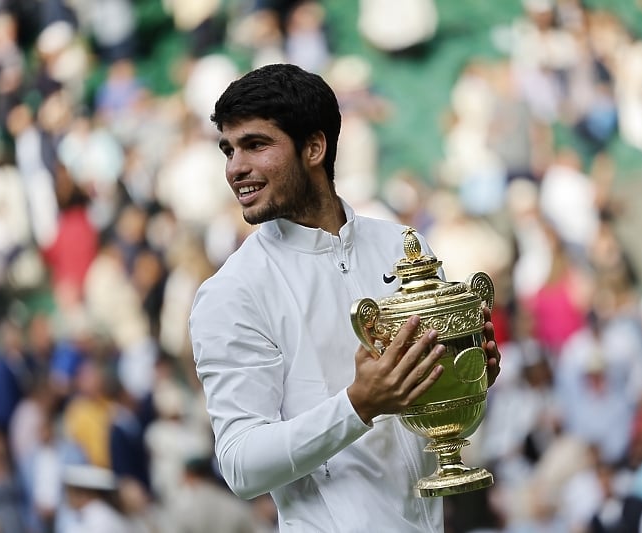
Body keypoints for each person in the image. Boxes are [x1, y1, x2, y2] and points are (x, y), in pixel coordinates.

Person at [189, 63, 502, 532]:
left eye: (255, 144)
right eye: (228, 150)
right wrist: (359, 405)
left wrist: (465, 373)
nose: (235, 168)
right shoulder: (230, 293)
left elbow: (431, 402)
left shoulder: (403, 246)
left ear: (314, 147)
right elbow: (240, 465)